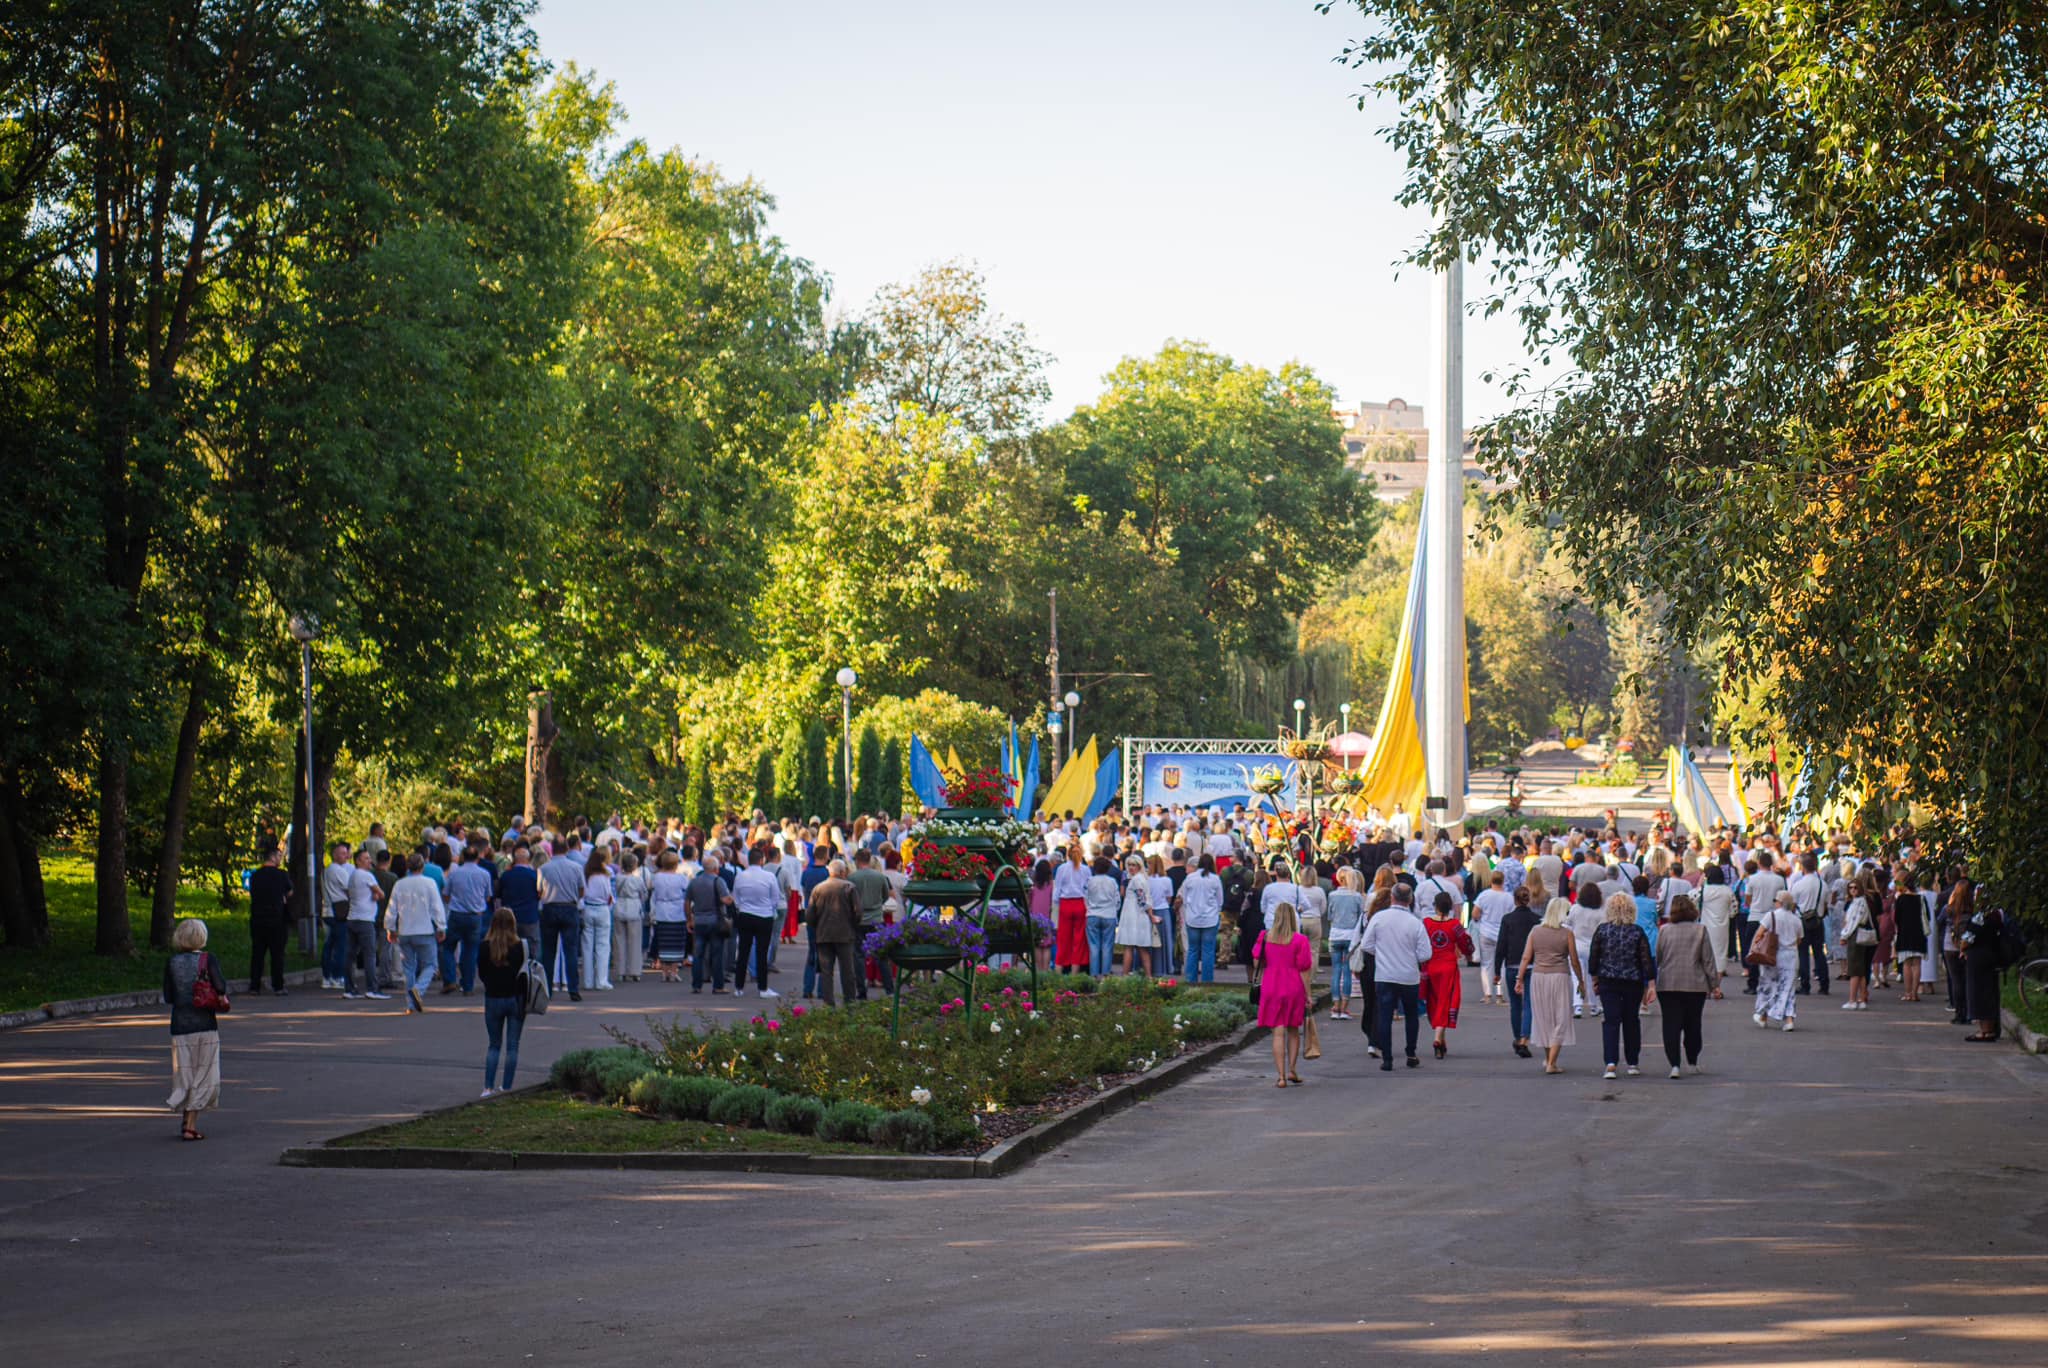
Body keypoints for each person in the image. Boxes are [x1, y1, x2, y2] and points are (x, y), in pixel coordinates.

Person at [163, 918, 228, 1141]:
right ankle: (190, 1125)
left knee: (185, 1074)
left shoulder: (172, 963)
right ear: (201, 937)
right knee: (204, 1074)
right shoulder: (208, 959)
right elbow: (220, 986)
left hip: (180, 1026)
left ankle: (185, 1119)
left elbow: (169, 996)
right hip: (205, 1025)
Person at [1359, 885, 1433, 1071]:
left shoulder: (1379, 918)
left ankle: (1388, 1058)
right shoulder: (1415, 922)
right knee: (1411, 1015)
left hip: (1385, 974)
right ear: (1409, 900)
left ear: (1392, 897)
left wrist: (1382, 954)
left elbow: (1366, 945)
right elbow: (1425, 953)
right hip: (1408, 976)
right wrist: (1410, 957)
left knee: (1384, 1015)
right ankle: (1411, 1052)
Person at [1518, 898, 1589, 1074]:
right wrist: (1581, 980)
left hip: (1538, 977)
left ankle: (1550, 1059)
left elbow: (1526, 957)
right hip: (1560, 976)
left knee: (1544, 1018)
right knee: (1561, 1017)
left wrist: (1519, 978)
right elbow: (1573, 960)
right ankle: (1551, 1063)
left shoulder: (1535, 931)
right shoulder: (1567, 933)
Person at [1654, 894, 1721, 1077]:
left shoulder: (1664, 930)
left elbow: (1658, 957)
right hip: (1695, 984)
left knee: (1670, 1024)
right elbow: (1707, 959)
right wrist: (1714, 984)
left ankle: (1674, 1064)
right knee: (1693, 1024)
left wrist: (1652, 980)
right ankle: (1692, 1061)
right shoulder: (1700, 930)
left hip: (1668, 983)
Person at [1254, 902, 1313, 1086]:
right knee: (1293, 1030)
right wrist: (1308, 994)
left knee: (1277, 1032)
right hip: (1293, 985)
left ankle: (1280, 1076)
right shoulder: (1300, 940)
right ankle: (1292, 1070)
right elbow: (1304, 969)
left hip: (1271, 984)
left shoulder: (1265, 937)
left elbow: (1256, 962)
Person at [385, 853, 448, 1014]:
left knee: (409, 967)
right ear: (422, 866)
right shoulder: (429, 883)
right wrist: (441, 926)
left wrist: (390, 927)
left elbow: (392, 908)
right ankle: (418, 991)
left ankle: (410, 1004)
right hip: (424, 930)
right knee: (431, 965)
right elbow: (436, 907)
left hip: (405, 930)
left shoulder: (400, 884)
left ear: (408, 866)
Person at [477, 908, 528, 1097]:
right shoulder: (520, 946)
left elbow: (481, 973)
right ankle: (506, 1087)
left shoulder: (484, 946)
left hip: (493, 998)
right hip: (515, 998)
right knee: (513, 1045)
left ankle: (487, 1087)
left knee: (494, 1044)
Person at [1420, 890, 1474, 1059]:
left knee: (1434, 1003)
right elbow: (1465, 945)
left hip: (1429, 967)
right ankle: (1437, 1039)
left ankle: (1441, 1041)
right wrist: (1469, 953)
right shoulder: (1454, 925)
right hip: (1448, 967)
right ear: (1450, 907)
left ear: (1434, 906)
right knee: (1446, 1001)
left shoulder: (1426, 923)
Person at [806, 859, 863, 1005]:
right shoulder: (849, 887)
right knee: (847, 972)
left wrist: (817, 927)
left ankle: (828, 1005)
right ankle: (849, 1004)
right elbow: (858, 912)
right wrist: (853, 926)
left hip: (824, 935)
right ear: (843, 872)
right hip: (845, 935)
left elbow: (810, 914)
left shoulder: (818, 888)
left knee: (826, 972)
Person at [537, 840, 587, 1002]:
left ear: (552, 850)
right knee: (570, 951)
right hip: (569, 908)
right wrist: (573, 898)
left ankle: (547, 989)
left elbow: (539, 890)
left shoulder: (543, 868)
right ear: (566, 849)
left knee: (548, 951)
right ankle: (573, 989)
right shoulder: (576, 868)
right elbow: (581, 890)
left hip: (550, 908)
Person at [731, 847, 784, 999]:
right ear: (761, 860)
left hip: (745, 915)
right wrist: (768, 909)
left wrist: (742, 907)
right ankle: (763, 987)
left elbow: (736, 897)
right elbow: (775, 898)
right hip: (764, 916)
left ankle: (739, 987)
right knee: (762, 952)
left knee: (743, 952)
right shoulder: (769, 877)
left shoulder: (740, 876)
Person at [1494, 886, 1541, 1057]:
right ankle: (1524, 1038)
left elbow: (1501, 945)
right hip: (1532, 965)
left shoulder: (1508, 919)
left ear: (1514, 900)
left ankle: (1516, 1036)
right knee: (1529, 1004)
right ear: (1529, 900)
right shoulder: (1536, 919)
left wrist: (1497, 969)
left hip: (1512, 964)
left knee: (1515, 1005)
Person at [1958, 883, 2005, 1042]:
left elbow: (1968, 938)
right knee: (1989, 992)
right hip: (1991, 956)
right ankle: (1990, 1028)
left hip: (1978, 958)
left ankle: (1985, 1030)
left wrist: (1962, 947)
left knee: (1979, 993)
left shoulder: (1980, 916)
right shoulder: (1997, 914)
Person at [1752, 891, 1802, 1032]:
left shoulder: (1771, 916)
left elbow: (1759, 933)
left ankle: (1762, 1014)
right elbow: (1799, 939)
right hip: (1791, 955)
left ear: (1779, 902)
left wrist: (1755, 947)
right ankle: (1789, 1020)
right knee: (1788, 988)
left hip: (1774, 954)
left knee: (1769, 985)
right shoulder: (1796, 920)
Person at [342, 847, 388, 1000]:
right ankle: (372, 988)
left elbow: (351, 893)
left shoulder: (352, 875)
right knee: (369, 955)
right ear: (358, 861)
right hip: (365, 919)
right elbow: (381, 893)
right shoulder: (367, 876)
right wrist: (376, 894)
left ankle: (349, 988)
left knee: (350, 955)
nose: (370, 861)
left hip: (352, 917)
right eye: (367, 858)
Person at [246, 845, 292, 996]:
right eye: (279, 856)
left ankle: (254, 985)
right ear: (272, 857)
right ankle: (278, 985)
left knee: (257, 953)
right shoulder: (281, 875)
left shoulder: (255, 875)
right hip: (277, 919)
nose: (280, 859)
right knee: (277, 954)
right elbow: (289, 891)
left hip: (257, 918)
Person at [687, 854, 733, 994]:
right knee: (717, 954)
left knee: (698, 954)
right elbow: (725, 899)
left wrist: (689, 919)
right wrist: (732, 898)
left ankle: (696, 985)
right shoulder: (718, 881)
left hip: (699, 921)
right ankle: (718, 986)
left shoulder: (694, 882)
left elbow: (687, 902)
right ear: (715, 868)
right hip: (715, 921)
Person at [1325, 867, 1366, 1019]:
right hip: (1350, 936)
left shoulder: (1332, 895)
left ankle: (1335, 1005)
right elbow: (1361, 916)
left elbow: (1329, 915)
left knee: (1336, 971)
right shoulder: (1356, 896)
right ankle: (1344, 1007)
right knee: (1347, 971)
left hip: (1335, 934)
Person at [646, 849, 691, 982]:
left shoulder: (657, 877)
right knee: (677, 943)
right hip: (677, 912)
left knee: (664, 942)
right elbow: (686, 894)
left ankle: (665, 971)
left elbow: (652, 892)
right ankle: (674, 970)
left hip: (662, 911)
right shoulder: (681, 878)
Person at [1178, 854, 1224, 983]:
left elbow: (1185, 898)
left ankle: (1190, 979)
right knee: (1208, 951)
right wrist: (1216, 910)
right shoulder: (1215, 879)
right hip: (1210, 918)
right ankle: (1207, 981)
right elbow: (1220, 900)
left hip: (1193, 917)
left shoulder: (1190, 878)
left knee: (1193, 950)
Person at [1471, 870, 1515, 1004]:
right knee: (1501, 964)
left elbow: (1475, 914)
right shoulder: (1509, 897)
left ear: (1491, 881)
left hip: (1486, 932)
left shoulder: (1484, 895)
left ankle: (1488, 994)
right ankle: (1500, 994)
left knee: (1486, 964)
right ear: (1503, 881)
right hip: (1503, 934)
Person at [1839, 872, 1880, 1011]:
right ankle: (1862, 998)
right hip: (1859, 936)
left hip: (1855, 937)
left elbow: (1852, 922)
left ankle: (1852, 999)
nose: (1853, 890)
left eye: (1855, 887)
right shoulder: (1860, 901)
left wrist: (1844, 935)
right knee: (1861, 970)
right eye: (1850, 888)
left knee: (1854, 971)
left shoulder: (1859, 903)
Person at [1115, 854, 1159, 975]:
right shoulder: (1140, 878)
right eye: (1129, 865)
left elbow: (1142, 900)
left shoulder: (1137, 879)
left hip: (1135, 916)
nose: (1130, 867)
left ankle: (1125, 977)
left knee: (1131, 947)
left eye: (1133, 865)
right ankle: (1148, 977)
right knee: (1140, 948)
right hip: (1136, 915)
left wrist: (1151, 915)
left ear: (1139, 866)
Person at [498, 843, 542, 964]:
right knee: (533, 951)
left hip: (510, 918)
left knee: (510, 949)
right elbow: (540, 894)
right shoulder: (535, 876)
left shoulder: (506, 876)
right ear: (528, 859)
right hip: (530, 918)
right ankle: (531, 974)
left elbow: (498, 894)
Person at [579, 847, 615, 992]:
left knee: (587, 946)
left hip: (588, 908)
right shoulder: (605, 875)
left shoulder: (586, 874)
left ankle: (588, 981)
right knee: (602, 946)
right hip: (602, 909)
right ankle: (601, 980)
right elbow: (608, 894)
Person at [1892, 868, 1930, 1003]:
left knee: (1907, 964)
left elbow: (1896, 918)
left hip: (1905, 933)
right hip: (1919, 933)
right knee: (1917, 964)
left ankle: (1908, 993)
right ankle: (1915, 993)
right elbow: (1928, 917)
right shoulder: (1921, 898)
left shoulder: (1901, 899)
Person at [1052, 843, 1091, 972]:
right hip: (1080, 903)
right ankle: (1075, 971)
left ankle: (1059, 969)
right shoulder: (1085, 869)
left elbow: (1057, 888)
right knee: (1079, 939)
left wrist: (1056, 903)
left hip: (1065, 903)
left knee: (1063, 938)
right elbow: (1088, 888)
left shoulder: (1061, 868)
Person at [1084, 855, 1121, 977]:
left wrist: (1089, 908)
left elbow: (1085, 897)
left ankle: (1094, 974)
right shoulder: (1112, 882)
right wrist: (1114, 910)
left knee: (1094, 946)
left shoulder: (1090, 881)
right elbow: (1117, 900)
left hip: (1093, 914)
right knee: (1107, 946)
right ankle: (1105, 973)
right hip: (1109, 914)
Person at [1696, 863, 1736, 970]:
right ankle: (1719, 976)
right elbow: (1733, 911)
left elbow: (1692, 898)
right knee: (1721, 953)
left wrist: (1699, 884)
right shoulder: (1727, 891)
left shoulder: (1703, 891)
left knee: (1706, 951)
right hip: (1722, 927)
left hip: (1706, 925)